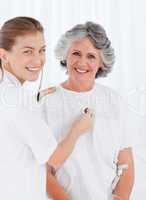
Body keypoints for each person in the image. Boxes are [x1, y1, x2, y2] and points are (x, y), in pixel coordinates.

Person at [41, 21, 138, 200]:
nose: (82, 62)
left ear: (102, 62)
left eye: (91, 56)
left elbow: (126, 165)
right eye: (76, 53)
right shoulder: (46, 102)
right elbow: (43, 172)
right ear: (65, 55)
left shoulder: (113, 100)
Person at [0, 17, 94, 200]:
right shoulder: (20, 100)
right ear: (4, 55)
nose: (38, 60)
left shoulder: (10, 95)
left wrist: (33, 101)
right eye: (27, 51)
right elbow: (54, 158)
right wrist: (79, 128)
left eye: (41, 50)